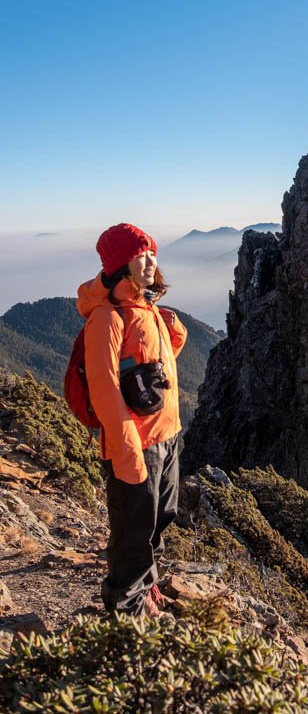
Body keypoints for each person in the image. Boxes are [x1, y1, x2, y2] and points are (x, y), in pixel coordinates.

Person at [77, 223, 187, 617]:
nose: (151, 262)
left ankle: (148, 587)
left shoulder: (146, 306)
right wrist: (127, 453)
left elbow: (162, 356)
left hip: (167, 436)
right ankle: (127, 611)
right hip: (135, 445)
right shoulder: (107, 318)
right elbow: (104, 391)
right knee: (133, 531)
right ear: (121, 264)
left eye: (152, 254)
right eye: (142, 255)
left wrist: (167, 324)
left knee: (160, 519)